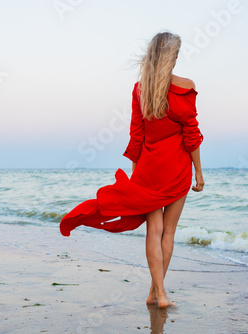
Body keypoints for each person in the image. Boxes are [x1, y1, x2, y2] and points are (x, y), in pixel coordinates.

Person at [60, 31, 204, 309]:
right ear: (169, 57)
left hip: (149, 170)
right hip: (176, 168)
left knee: (154, 230)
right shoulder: (185, 86)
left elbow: (136, 136)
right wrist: (199, 172)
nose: (177, 59)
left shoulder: (141, 90)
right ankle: (158, 293)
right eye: (175, 54)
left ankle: (156, 293)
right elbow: (192, 136)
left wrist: (136, 176)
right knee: (168, 233)